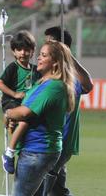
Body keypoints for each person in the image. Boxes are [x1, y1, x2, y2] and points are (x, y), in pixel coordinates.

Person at [4, 40, 77, 195]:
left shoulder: (53, 86)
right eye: (40, 55)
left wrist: (9, 113)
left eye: (44, 55)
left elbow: (24, 112)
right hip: (38, 150)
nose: (38, 58)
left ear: (56, 63)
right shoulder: (45, 83)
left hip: (37, 150)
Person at [35, 26, 93, 196]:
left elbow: (87, 86)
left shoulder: (71, 75)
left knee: (42, 182)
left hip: (63, 139)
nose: (44, 46)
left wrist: (67, 55)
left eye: (49, 42)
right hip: (43, 139)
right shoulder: (44, 71)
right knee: (58, 190)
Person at [0, 30, 41, 174]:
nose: (23, 53)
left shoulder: (35, 70)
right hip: (12, 102)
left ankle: (9, 121)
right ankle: (9, 153)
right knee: (24, 121)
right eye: (19, 50)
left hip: (26, 104)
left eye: (27, 50)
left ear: (32, 51)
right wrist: (14, 94)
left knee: (27, 123)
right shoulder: (13, 67)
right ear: (13, 52)